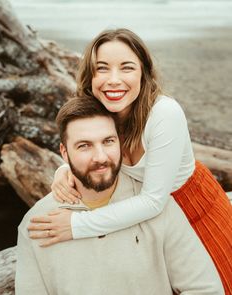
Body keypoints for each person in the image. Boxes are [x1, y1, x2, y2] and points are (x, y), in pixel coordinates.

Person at [28, 28, 232, 294]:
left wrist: (76, 226)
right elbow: (88, 151)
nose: (114, 80)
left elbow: (153, 201)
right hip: (145, 219)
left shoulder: (164, 113)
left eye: (126, 68)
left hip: (193, 212)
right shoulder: (101, 111)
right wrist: (63, 167)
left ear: (143, 73)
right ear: (90, 76)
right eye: (102, 69)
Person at [16, 96, 225, 295]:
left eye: (108, 141)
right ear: (64, 153)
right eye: (84, 146)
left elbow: (205, 289)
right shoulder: (36, 225)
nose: (100, 157)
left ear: (120, 143)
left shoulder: (160, 206)